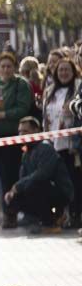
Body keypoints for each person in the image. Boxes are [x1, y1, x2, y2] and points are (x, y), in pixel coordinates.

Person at [0, 52, 33, 229]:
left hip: (11, 137)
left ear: (14, 68)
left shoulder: (21, 85)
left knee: (9, 176)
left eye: (9, 66)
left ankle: (10, 213)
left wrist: (1, 115)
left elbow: (23, 109)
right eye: (3, 66)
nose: (6, 70)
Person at [5, 115, 75, 233]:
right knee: (14, 197)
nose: (21, 135)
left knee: (34, 186)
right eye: (20, 132)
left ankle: (50, 223)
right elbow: (23, 177)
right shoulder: (26, 152)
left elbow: (42, 174)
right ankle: (46, 218)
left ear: (36, 131)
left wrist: (18, 186)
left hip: (61, 192)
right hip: (42, 188)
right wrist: (13, 191)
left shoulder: (45, 147)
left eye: (25, 131)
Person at [43, 57, 81, 227]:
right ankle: (62, 213)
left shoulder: (78, 87)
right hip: (54, 142)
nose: (64, 73)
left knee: (75, 180)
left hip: (72, 145)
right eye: (61, 70)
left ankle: (75, 213)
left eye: (67, 70)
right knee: (60, 181)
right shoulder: (50, 91)